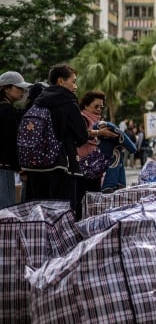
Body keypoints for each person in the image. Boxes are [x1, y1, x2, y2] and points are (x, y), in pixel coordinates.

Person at [23, 64, 90, 215]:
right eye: (73, 81)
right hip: (61, 165)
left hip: (36, 165)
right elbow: (82, 136)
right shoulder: (68, 103)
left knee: (38, 211)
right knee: (61, 213)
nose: (76, 86)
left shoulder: (37, 101)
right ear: (61, 81)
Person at [76, 91, 118, 201]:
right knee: (84, 198)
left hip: (95, 165)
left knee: (94, 198)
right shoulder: (82, 118)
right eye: (96, 106)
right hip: (83, 165)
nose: (99, 109)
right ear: (86, 105)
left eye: (101, 107)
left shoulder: (98, 121)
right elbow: (81, 135)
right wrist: (100, 133)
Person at [0, 71, 31, 209]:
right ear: (6, 88)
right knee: (7, 212)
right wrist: (21, 169)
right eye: (19, 88)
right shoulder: (6, 111)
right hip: (4, 167)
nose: (22, 91)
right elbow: (10, 143)